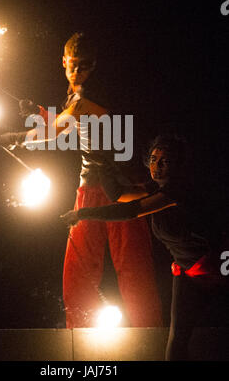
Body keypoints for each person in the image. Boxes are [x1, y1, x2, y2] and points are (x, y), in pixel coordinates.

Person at [0, 32, 163, 328]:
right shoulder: (75, 94)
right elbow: (67, 122)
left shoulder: (91, 94)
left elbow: (58, 131)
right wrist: (36, 111)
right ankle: (77, 337)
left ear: (94, 66)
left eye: (84, 66)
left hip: (122, 188)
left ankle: (148, 338)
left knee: (133, 268)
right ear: (63, 61)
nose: (77, 72)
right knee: (78, 269)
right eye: (73, 65)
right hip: (89, 186)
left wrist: (16, 138)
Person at [60, 134, 229, 359]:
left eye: (164, 161)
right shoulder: (154, 188)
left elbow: (130, 211)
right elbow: (118, 195)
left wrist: (83, 213)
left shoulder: (177, 191)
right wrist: (103, 164)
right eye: (153, 159)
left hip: (218, 266)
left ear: (178, 165)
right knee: (176, 344)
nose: (156, 166)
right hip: (188, 272)